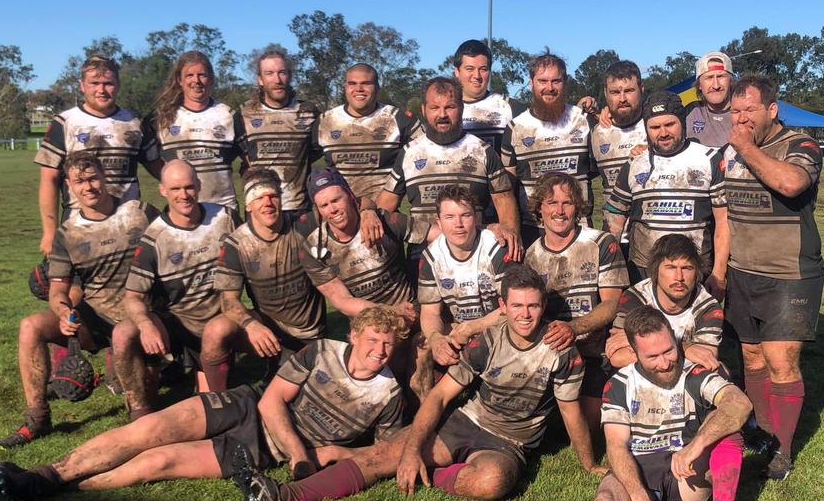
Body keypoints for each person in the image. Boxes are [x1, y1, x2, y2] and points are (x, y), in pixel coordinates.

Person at [235, 265, 606, 501]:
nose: (526, 315)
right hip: (466, 423)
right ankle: (283, 495)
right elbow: (441, 397)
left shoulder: (560, 349)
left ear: (543, 306)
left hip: (510, 440)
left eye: (534, 306)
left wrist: (588, 464)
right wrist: (413, 451)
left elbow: (569, 410)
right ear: (503, 305)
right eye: (518, 306)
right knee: (384, 457)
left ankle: (437, 472)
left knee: (490, 482)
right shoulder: (487, 341)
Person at [0, 307, 409, 498]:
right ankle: (45, 474)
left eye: (388, 344)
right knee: (146, 431)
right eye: (373, 339)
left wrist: (338, 451)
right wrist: (302, 458)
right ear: (354, 336)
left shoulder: (389, 393)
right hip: (249, 406)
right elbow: (271, 403)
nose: (379, 350)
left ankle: (68, 487)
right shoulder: (321, 351)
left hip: (263, 450)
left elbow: (381, 452)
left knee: (156, 463)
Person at [0, 152, 158, 448]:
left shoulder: (141, 212)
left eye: (94, 177)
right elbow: (58, 289)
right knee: (30, 326)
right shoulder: (67, 234)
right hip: (94, 319)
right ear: (69, 186)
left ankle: (139, 418)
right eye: (80, 181)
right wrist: (62, 311)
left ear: (105, 177)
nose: (89, 187)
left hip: (141, 318)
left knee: (126, 341)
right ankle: (37, 417)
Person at [720, 76, 824, 480]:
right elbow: (723, 216)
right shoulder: (725, 155)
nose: (742, 118)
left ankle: (780, 452)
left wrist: (745, 147)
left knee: (782, 361)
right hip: (742, 273)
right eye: (736, 111)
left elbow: (791, 182)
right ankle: (761, 437)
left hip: (789, 274)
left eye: (749, 109)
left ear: (771, 110)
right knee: (751, 357)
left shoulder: (800, 145)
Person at [113, 160, 238, 417]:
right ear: (162, 191)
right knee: (123, 332)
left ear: (199, 185)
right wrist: (146, 326)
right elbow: (133, 296)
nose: (184, 195)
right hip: (176, 325)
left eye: (190, 187)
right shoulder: (154, 239)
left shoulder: (225, 218)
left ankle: (212, 372)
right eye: (176, 189)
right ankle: (140, 411)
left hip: (218, 324)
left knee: (210, 407)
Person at [597, 307, 752, 501]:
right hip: (638, 466)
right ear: (633, 352)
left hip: (686, 469)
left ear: (675, 339)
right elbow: (616, 445)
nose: (664, 364)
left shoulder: (694, 373)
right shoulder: (619, 384)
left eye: (668, 351)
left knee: (727, 425)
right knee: (606, 496)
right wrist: (637, 494)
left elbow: (739, 403)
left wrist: (695, 446)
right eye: (652, 357)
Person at [374, 77, 520, 268]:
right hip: (423, 256)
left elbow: (505, 203)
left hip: (474, 256)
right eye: (435, 108)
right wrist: (368, 211)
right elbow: (386, 205)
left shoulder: (482, 151)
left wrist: (512, 249)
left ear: (461, 108)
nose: (442, 114)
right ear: (424, 110)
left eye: (450, 107)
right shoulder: (410, 152)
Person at [203, 169, 327, 391]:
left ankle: (280, 367)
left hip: (308, 335)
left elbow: (347, 201)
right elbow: (228, 302)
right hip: (267, 332)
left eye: (273, 196)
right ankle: (218, 398)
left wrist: (367, 211)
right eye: (259, 197)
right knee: (216, 329)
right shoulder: (236, 243)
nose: (267, 202)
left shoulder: (303, 223)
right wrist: (251, 325)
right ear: (248, 205)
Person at [522, 172, 628, 428]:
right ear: (539, 208)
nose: (559, 211)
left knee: (589, 423)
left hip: (594, 351)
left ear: (577, 208)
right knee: (548, 426)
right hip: (552, 353)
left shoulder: (601, 243)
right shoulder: (531, 256)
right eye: (551, 203)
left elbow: (613, 303)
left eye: (567, 203)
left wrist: (574, 328)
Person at [35, 54, 157, 256]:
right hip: (79, 224)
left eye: (108, 83)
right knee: (75, 287)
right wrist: (49, 233)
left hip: (127, 224)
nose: (101, 90)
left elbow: (157, 166)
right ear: (82, 85)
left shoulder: (134, 122)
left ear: (117, 85)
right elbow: (49, 179)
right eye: (94, 83)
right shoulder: (65, 122)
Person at [604, 90, 728, 283]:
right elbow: (614, 223)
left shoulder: (710, 159)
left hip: (693, 272)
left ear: (683, 123)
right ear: (646, 129)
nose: (663, 133)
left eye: (670, 124)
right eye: (654, 127)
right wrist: (611, 274)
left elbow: (723, 222)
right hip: (643, 273)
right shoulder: (634, 164)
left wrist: (718, 274)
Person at [412, 186, 511, 396]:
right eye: (449, 217)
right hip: (459, 329)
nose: (458, 224)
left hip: (499, 324)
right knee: (422, 344)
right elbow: (430, 313)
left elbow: (514, 308)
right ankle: (426, 410)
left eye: (465, 215)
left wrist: (473, 327)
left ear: (475, 217)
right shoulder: (431, 256)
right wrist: (436, 338)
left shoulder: (496, 246)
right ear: (438, 222)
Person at [501, 52, 596, 247]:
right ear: (531, 82)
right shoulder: (516, 128)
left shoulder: (583, 120)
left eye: (556, 81)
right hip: (533, 230)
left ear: (565, 82)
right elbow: (506, 189)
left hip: (580, 228)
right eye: (542, 81)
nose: (549, 88)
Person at [298, 168, 415, 323]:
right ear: (318, 211)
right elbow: (342, 300)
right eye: (324, 205)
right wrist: (391, 312)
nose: (332, 210)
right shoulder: (312, 249)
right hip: (367, 324)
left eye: (336, 200)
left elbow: (434, 234)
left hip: (410, 312)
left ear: (351, 197)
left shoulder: (382, 221)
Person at [143, 51, 245, 210]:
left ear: (211, 79)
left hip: (223, 209)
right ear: (180, 80)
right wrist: (172, 180)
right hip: (181, 212)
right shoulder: (159, 118)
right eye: (189, 75)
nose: (196, 81)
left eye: (202, 75)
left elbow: (249, 159)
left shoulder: (229, 115)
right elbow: (149, 159)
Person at [605, 235, 723, 371]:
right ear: (656, 270)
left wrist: (644, 346)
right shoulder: (635, 298)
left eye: (687, 268)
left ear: (697, 272)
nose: (679, 277)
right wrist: (687, 350)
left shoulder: (708, 308)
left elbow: (706, 359)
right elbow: (618, 357)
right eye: (671, 267)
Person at [313, 63, 422, 202]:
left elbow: (425, 153)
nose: (359, 89)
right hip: (340, 213)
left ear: (377, 88)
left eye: (366, 84)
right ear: (345, 88)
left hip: (383, 212)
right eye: (352, 83)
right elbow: (304, 160)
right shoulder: (325, 121)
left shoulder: (398, 118)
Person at [240, 49, 322, 216]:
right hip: (260, 209)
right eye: (269, 73)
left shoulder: (308, 112)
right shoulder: (245, 114)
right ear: (260, 80)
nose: (277, 80)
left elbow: (316, 150)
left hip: (298, 209)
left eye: (282, 72)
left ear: (289, 76)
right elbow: (240, 152)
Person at [589, 60, 649, 257]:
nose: (622, 98)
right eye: (615, 92)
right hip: (613, 238)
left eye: (629, 90)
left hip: (653, 236)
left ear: (641, 88)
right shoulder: (595, 133)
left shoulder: (657, 125)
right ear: (605, 93)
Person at [452, 39, 526, 155]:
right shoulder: (443, 110)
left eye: (483, 69)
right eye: (469, 69)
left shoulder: (511, 108)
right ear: (457, 71)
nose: (477, 76)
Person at [684, 52, 735, 148]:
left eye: (721, 76)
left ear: (731, 81)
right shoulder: (689, 112)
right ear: (699, 85)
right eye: (709, 78)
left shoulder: (745, 113)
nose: (716, 85)